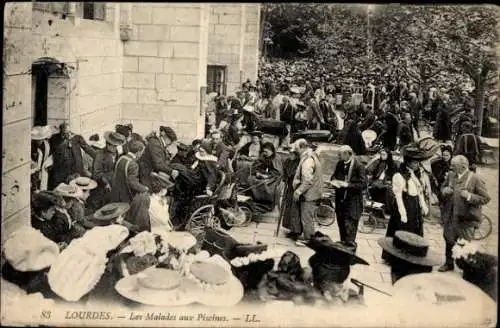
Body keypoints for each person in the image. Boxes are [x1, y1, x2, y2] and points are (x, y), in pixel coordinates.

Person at [438, 155, 491, 272]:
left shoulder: (475, 179)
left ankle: (467, 267)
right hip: (451, 216)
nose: (451, 167)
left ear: (463, 166)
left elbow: (486, 198)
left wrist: (469, 196)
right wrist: (444, 191)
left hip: (466, 219)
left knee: (465, 244)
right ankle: (448, 263)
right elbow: (442, 189)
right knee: (449, 240)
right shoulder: (451, 175)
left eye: (453, 165)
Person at [382, 146, 430, 260]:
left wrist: (423, 205)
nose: (417, 164)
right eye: (414, 162)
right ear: (408, 163)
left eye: (417, 162)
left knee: (414, 229)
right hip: (404, 205)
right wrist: (403, 213)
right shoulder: (399, 176)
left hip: (414, 206)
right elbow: (398, 196)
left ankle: (412, 255)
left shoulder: (416, 175)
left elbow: (420, 192)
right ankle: (396, 257)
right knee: (401, 230)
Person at [329, 145, 367, 250]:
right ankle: (342, 249)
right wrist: (334, 181)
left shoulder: (359, 166)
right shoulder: (340, 163)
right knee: (341, 226)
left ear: (347, 154)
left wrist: (347, 185)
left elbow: (363, 184)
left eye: (340, 154)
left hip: (352, 203)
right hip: (340, 201)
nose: (338, 156)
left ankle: (350, 250)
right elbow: (334, 175)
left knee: (350, 228)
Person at [292, 139, 323, 246]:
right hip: (313, 192)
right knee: (307, 216)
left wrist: (298, 191)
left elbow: (308, 180)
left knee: (306, 217)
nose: (296, 151)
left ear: (302, 147)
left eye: (297, 149)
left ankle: (308, 239)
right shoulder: (311, 155)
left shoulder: (308, 160)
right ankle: (308, 235)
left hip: (309, 194)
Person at [48, 122, 96, 190]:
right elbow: (49, 152)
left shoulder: (77, 138)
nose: (66, 135)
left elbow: (88, 149)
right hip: (60, 172)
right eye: (63, 133)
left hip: (75, 170)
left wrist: (98, 157)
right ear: (60, 131)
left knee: (76, 189)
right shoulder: (54, 139)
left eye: (67, 133)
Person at [91, 132, 126, 211]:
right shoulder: (100, 154)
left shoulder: (115, 152)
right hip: (101, 187)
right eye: (113, 146)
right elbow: (96, 173)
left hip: (112, 184)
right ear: (107, 144)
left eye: (116, 146)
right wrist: (105, 183)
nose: (115, 148)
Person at [248, 142, 283, 210]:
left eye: (266, 151)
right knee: (252, 179)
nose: (265, 153)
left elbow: (278, 173)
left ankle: (268, 203)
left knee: (264, 183)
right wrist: (258, 173)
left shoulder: (276, 158)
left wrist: (266, 176)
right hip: (266, 175)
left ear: (271, 151)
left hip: (275, 177)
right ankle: (258, 201)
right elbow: (257, 165)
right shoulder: (264, 155)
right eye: (264, 151)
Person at [430, 145, 453, 223]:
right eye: (443, 155)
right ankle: (444, 218)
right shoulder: (438, 163)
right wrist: (444, 176)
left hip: (450, 185)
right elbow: (436, 175)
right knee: (442, 201)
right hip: (439, 184)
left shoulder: (452, 163)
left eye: (447, 155)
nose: (445, 157)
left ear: (450, 155)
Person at [31, 125, 57, 192]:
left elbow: (50, 156)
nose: (39, 141)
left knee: (42, 188)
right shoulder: (31, 147)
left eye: (41, 139)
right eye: (37, 140)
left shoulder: (46, 145)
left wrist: (49, 163)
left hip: (43, 171)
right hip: (33, 173)